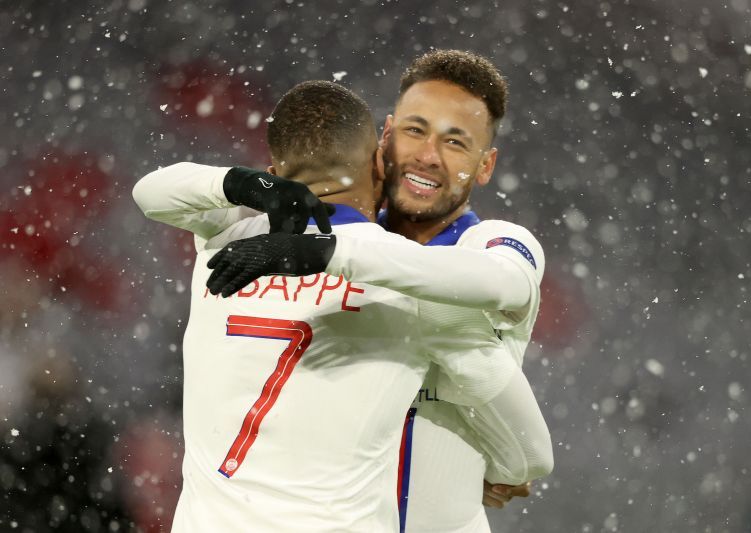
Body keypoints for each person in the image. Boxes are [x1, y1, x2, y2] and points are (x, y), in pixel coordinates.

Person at [132, 80, 552, 532]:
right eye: (416, 131)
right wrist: (507, 466)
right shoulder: (416, 296)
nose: (429, 156)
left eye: (454, 142)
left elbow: (149, 192)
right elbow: (532, 454)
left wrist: (238, 185)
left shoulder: (226, 238)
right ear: (382, 150)